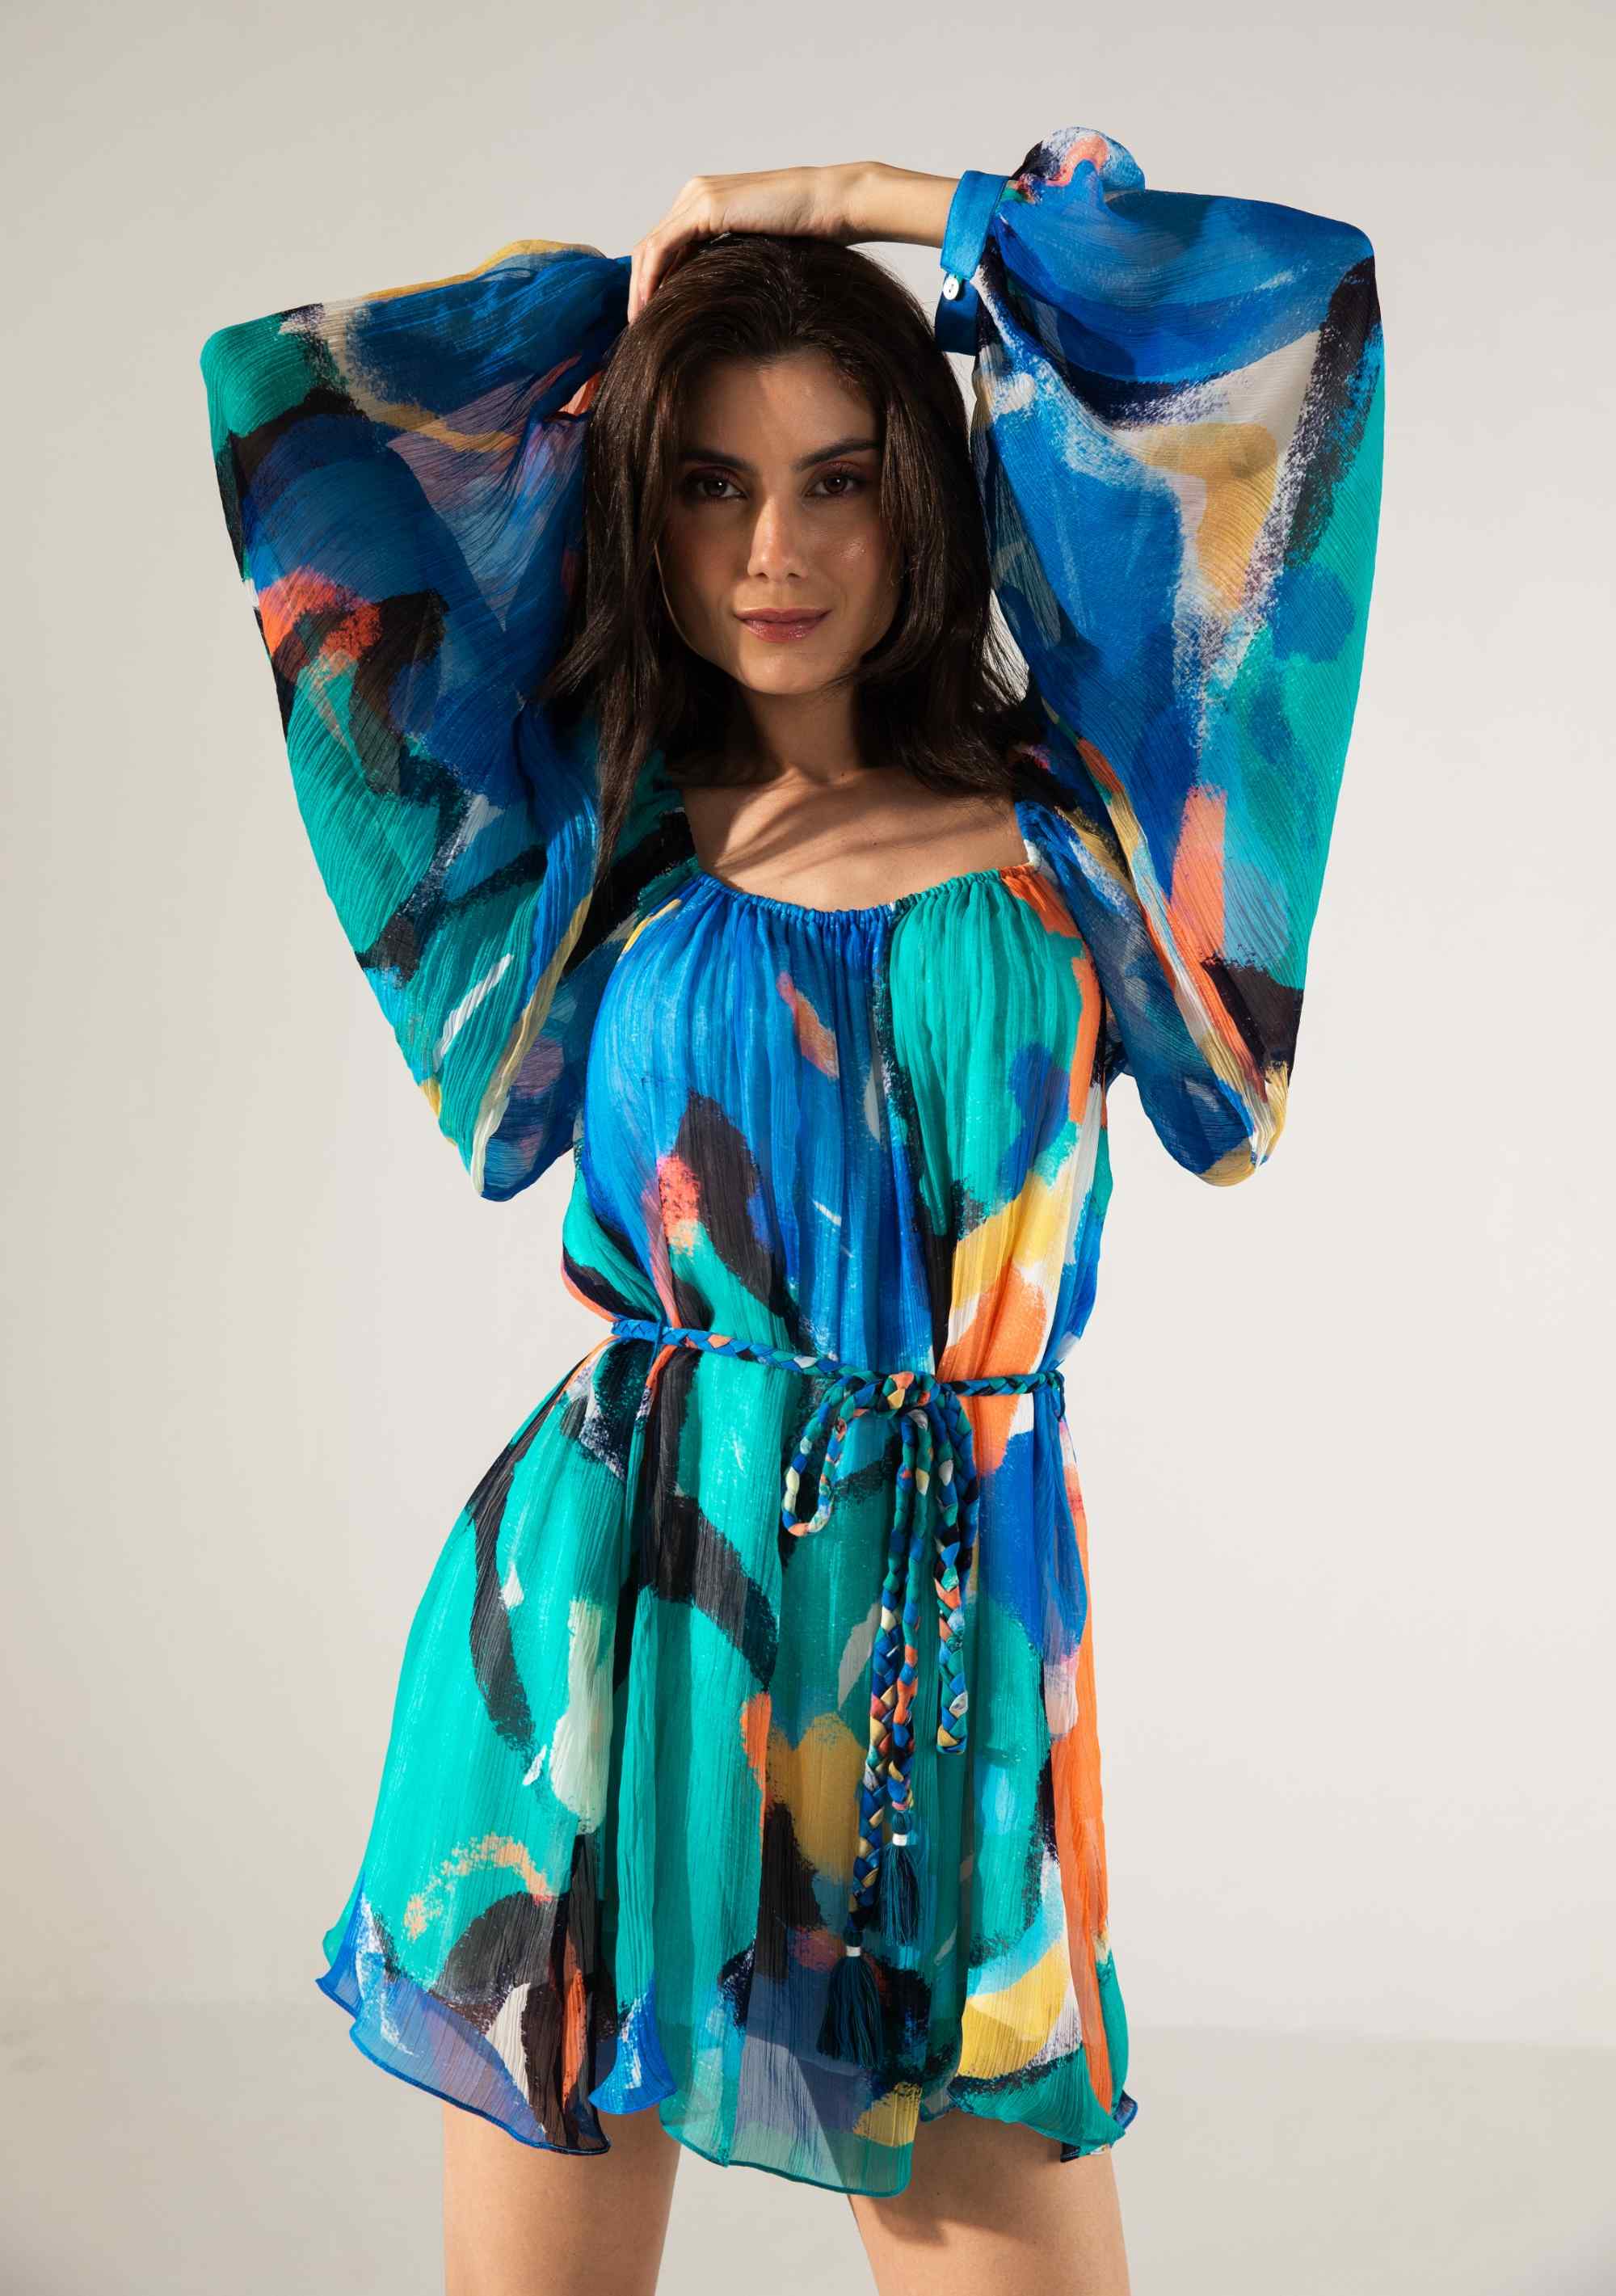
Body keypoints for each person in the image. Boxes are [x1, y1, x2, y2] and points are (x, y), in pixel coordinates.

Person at [199, 122, 1383, 2296]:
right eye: (707, 482)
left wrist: (871, 207)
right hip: (606, 1635)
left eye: (838, 477)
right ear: (634, 506)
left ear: (921, 488)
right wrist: (624, 315)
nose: (774, 549)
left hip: (942, 1671)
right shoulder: (594, 841)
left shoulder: (1087, 837)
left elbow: (1287, 333)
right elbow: (294, 408)